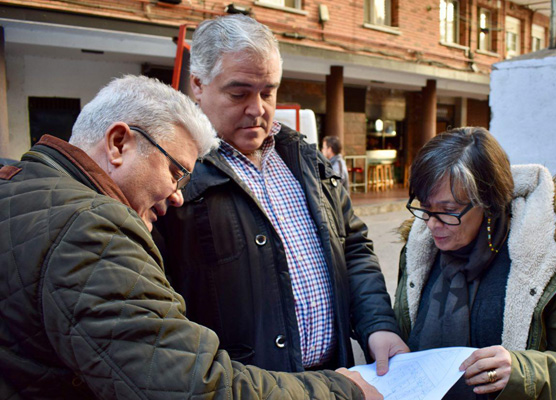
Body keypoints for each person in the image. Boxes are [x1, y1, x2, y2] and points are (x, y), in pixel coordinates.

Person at [0, 74, 382, 399]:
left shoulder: (23, 186)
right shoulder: (92, 227)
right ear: (118, 143)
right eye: (175, 172)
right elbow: (192, 384)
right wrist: (338, 391)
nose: (177, 196)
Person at [155, 14, 407, 376]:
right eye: (239, 93)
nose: (258, 109)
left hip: (334, 378)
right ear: (198, 84)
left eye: (268, 92)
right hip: (248, 387)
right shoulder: (172, 172)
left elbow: (352, 248)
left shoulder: (304, 157)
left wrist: (378, 325)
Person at [394, 126, 556, 399]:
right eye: (425, 207)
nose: (431, 224)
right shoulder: (419, 250)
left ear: (489, 203)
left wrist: (523, 371)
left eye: (448, 211)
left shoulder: (549, 263)